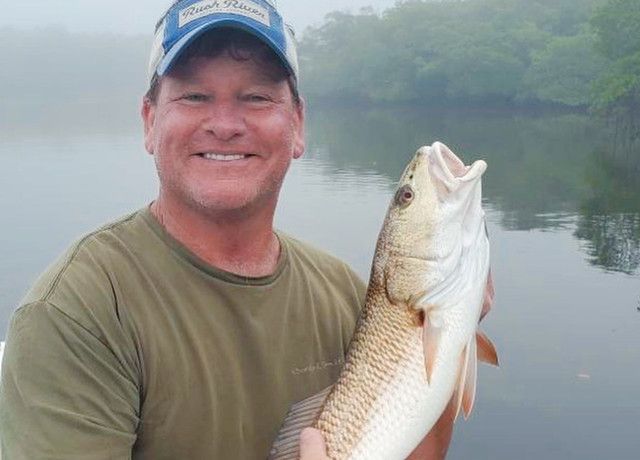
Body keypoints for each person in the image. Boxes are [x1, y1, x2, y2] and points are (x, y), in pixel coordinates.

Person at [0, 0, 454, 458]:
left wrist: (449, 323)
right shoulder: (77, 311)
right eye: (194, 96)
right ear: (151, 121)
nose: (224, 125)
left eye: (256, 97)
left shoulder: (343, 292)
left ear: (297, 125)